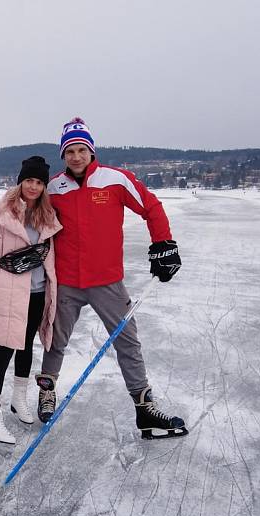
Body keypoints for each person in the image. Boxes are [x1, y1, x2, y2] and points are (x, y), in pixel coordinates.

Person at [36, 117, 187, 440]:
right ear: (63, 156)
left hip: (106, 281)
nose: (76, 156)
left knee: (128, 343)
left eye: (81, 150)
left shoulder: (115, 180)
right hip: (66, 282)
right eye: (70, 151)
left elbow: (151, 206)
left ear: (91, 151)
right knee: (54, 340)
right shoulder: (54, 188)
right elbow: (33, 220)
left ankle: (145, 409)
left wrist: (164, 244)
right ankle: (47, 389)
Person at [0, 156, 62, 450]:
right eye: (29, 181)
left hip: (37, 293)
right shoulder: (3, 214)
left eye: (39, 182)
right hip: (9, 293)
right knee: (4, 351)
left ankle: (18, 399)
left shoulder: (48, 215)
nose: (33, 187)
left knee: (25, 348)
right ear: (21, 181)